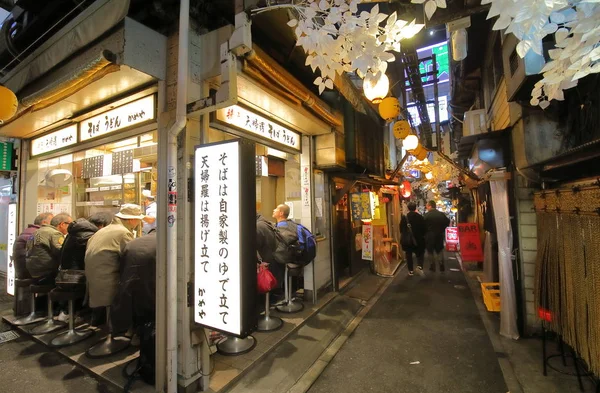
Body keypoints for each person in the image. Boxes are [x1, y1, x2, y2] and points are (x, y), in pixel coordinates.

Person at [85, 204, 144, 325]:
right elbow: (132, 257)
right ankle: (130, 330)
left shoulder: (103, 231)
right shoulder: (122, 233)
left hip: (94, 281)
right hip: (110, 282)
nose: (139, 223)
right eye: (139, 220)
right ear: (132, 219)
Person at [111, 231, 157, 336]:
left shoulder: (132, 243)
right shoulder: (164, 242)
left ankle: (133, 331)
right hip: (150, 291)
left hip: (128, 289)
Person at [26, 213, 71, 284]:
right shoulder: (55, 233)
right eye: (70, 224)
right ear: (62, 224)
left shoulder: (36, 231)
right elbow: (63, 253)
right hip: (46, 273)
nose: (71, 227)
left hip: (33, 272)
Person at [13, 213, 53, 280]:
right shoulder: (37, 233)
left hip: (22, 272)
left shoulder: (28, 231)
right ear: (44, 222)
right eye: (52, 221)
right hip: (31, 274)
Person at [256, 213, 284, 301]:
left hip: (266, 266)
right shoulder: (267, 223)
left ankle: (265, 309)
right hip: (276, 262)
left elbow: (252, 246)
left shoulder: (258, 226)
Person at [400, 202, 426, 277]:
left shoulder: (404, 217)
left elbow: (401, 229)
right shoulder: (420, 217)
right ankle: (419, 266)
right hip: (418, 239)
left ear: (408, 208)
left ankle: (410, 271)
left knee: (408, 255)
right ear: (415, 208)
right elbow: (424, 228)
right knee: (420, 253)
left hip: (408, 240)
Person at [424, 200, 451, 272]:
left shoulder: (426, 215)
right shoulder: (441, 214)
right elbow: (447, 222)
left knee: (430, 251)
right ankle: (441, 264)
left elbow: (423, 226)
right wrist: (442, 229)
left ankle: (432, 266)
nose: (426, 207)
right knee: (439, 250)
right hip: (439, 235)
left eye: (427, 206)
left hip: (429, 236)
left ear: (430, 206)